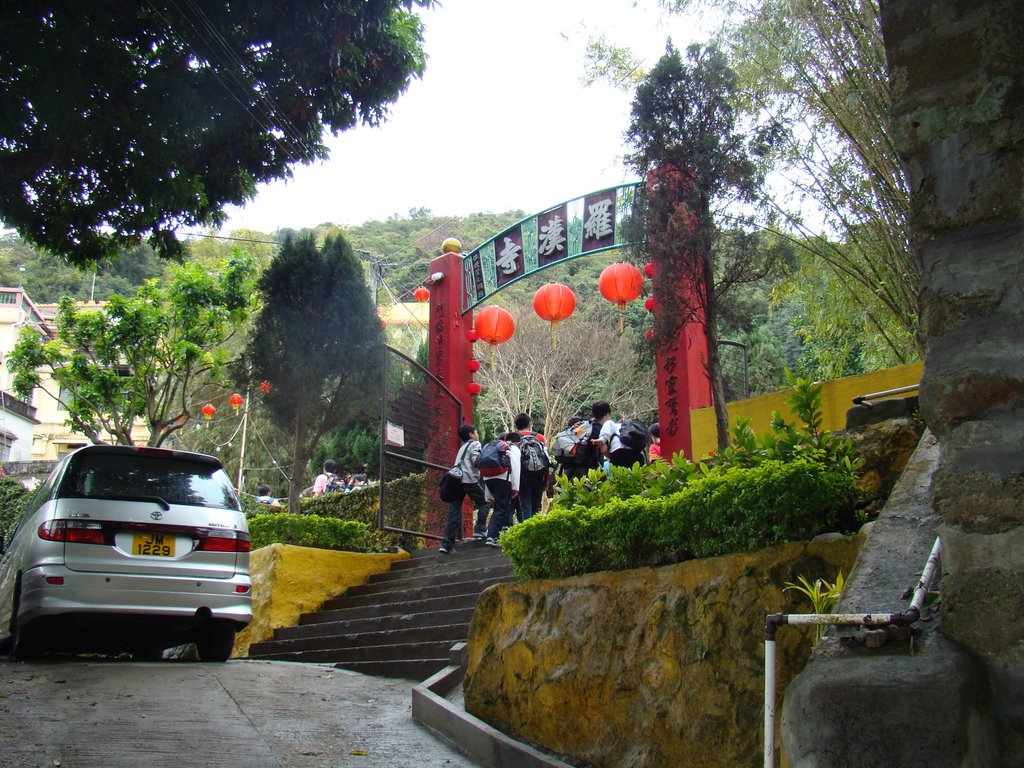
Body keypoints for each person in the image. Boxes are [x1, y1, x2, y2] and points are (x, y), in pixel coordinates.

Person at [440, 424, 492, 554]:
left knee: (454, 512)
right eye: (476, 432)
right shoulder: (475, 444)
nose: (477, 434)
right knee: (485, 502)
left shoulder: (462, 448)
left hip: (456, 481)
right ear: (471, 434)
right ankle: (480, 528)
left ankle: (446, 545)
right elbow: (475, 460)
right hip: (468, 480)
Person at [483, 433, 521, 548]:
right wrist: (515, 487)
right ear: (518, 442)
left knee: (498, 506)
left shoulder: (491, 447)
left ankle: (492, 533)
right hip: (503, 478)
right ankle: (492, 536)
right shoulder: (513, 448)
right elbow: (515, 467)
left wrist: (488, 494)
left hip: (488, 477)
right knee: (502, 507)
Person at [514, 412, 549, 522]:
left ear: (515, 425)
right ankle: (535, 532)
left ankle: (527, 531)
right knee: (535, 507)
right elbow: (546, 459)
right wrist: (546, 481)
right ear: (529, 424)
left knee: (525, 506)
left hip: (521, 476)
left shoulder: (512, 438)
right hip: (539, 475)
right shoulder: (540, 438)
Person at [594, 402, 646, 468]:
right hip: (636, 451)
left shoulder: (609, 423)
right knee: (638, 475)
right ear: (608, 414)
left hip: (618, 450)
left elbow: (604, 448)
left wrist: (601, 440)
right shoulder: (624, 426)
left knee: (619, 476)